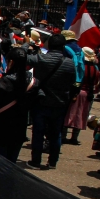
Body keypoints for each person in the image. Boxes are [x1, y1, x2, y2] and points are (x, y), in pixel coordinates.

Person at [26, 34, 77, 170]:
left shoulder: (41, 58)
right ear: (63, 46)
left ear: (49, 45)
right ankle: (53, 161)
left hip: (41, 101)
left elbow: (23, 57)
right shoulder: (70, 63)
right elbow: (72, 82)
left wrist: (28, 45)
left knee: (38, 132)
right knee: (55, 134)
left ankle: (36, 160)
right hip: (60, 103)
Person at [64, 46, 100, 145]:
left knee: (70, 113)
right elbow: (96, 84)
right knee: (82, 114)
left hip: (77, 92)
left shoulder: (79, 67)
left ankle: (63, 135)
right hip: (88, 94)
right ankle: (74, 137)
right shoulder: (96, 69)